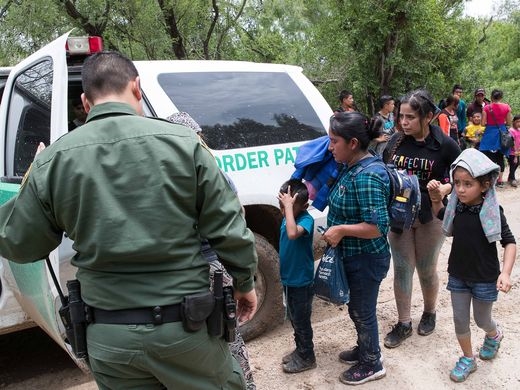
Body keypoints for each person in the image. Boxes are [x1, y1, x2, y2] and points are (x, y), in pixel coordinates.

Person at [0, 51, 258, 389]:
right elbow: (230, 229)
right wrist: (244, 283)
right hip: (187, 329)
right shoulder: (185, 145)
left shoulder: (53, 161)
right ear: (136, 87)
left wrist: (32, 178)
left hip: (110, 339)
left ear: (85, 101)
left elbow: (18, 242)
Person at [167, 111, 256, 389]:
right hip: (215, 270)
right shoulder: (215, 173)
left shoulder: (164, 180)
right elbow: (236, 222)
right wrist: (244, 278)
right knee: (230, 337)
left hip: (180, 274)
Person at [427, 148, 516, 383]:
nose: (460, 189)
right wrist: (436, 200)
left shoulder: (492, 213)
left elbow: (509, 243)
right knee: (459, 320)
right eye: (457, 183)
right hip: (458, 275)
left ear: (485, 185)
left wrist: (505, 273)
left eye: (468, 184)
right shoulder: (457, 209)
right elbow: (442, 217)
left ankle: (494, 335)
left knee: (482, 320)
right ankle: (468, 358)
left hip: (485, 278)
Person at [382, 89, 461, 349]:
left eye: (410, 118)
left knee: (426, 269)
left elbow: (460, 178)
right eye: (400, 116)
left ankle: (429, 312)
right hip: (399, 217)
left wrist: (445, 189)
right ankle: (404, 323)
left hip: (431, 216)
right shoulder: (395, 142)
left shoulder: (445, 145)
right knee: (403, 269)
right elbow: (386, 174)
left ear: (427, 117)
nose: (403, 123)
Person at [323, 111, 391, 385]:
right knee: (357, 308)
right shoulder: (351, 165)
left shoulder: (368, 176)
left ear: (353, 143)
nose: (329, 147)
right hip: (354, 256)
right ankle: (365, 348)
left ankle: (372, 362)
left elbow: (378, 227)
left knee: (363, 311)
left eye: (334, 141)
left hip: (366, 258)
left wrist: (340, 230)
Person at [277, 179, 316, 374]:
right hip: (289, 280)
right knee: (294, 318)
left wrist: (289, 209)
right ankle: (300, 350)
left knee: (302, 320)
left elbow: (292, 234)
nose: (284, 210)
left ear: (305, 206)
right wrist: (289, 209)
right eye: (282, 205)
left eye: (290, 206)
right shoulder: (288, 217)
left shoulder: (305, 220)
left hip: (301, 281)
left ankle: (307, 356)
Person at [480, 88, 513, 188]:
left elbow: (482, 123)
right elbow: (509, 123)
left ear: (491, 97)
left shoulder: (486, 108)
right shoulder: (507, 107)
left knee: (488, 157)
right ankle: (500, 180)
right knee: (500, 157)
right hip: (501, 134)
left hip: (489, 134)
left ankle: (488, 180)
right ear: (501, 97)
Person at [506, 114, 520, 187]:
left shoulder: (519, 130)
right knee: (513, 164)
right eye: (517, 122)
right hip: (511, 152)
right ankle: (512, 179)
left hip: (517, 152)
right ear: (513, 122)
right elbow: (512, 142)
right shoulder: (511, 131)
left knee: (517, 163)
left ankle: (510, 177)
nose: (519, 123)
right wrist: (515, 152)